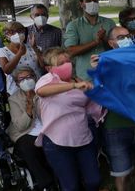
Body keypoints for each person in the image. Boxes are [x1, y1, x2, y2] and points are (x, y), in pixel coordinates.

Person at [35, 47, 105, 191]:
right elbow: (41, 91)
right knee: (71, 186)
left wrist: (98, 72)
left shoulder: (79, 80)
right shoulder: (47, 80)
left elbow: (95, 102)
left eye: (68, 61)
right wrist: (73, 86)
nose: (67, 65)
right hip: (57, 143)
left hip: (83, 138)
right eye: (60, 63)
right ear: (49, 68)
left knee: (94, 180)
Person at [91, 26, 135, 191]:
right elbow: (95, 90)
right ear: (111, 43)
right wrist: (97, 70)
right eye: (120, 37)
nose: (126, 39)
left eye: (128, 35)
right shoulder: (103, 62)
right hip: (116, 126)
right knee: (121, 173)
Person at [6, 66, 56, 190]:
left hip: (48, 127)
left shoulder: (44, 90)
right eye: (21, 79)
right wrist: (28, 109)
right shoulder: (14, 99)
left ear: (35, 77)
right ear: (17, 84)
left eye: (29, 77)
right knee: (27, 148)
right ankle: (48, 184)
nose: (26, 81)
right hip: (25, 132)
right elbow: (20, 126)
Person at [64, 0, 116, 81]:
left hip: (108, 74)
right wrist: (95, 42)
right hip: (85, 77)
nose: (92, 3)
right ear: (82, 4)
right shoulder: (74, 25)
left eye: (95, 0)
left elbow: (118, 48)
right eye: (88, 0)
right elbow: (70, 51)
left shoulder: (109, 23)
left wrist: (105, 39)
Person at [0, 22, 44, 95]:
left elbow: (43, 66)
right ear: (6, 35)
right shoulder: (2, 52)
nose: (17, 34)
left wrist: (35, 48)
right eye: (12, 32)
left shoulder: (33, 47)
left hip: (38, 87)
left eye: (20, 31)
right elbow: (7, 70)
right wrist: (19, 53)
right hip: (16, 91)